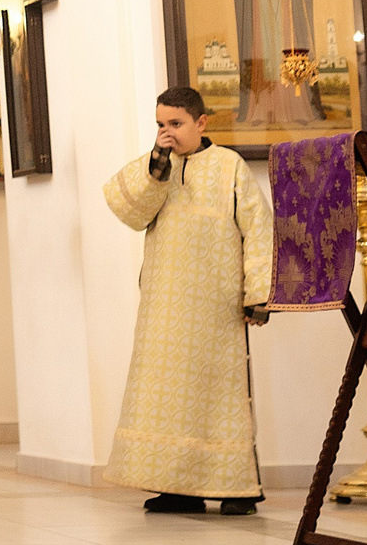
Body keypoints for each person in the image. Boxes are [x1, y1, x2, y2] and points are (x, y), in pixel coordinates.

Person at [103, 85, 272, 515]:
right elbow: (130, 211)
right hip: (164, 302)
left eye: (175, 124)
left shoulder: (229, 167)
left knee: (221, 395)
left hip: (215, 303)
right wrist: (157, 169)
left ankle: (238, 489)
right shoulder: (157, 167)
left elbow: (258, 230)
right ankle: (179, 487)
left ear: (201, 123)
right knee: (164, 396)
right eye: (160, 125)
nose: (167, 133)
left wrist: (258, 294)